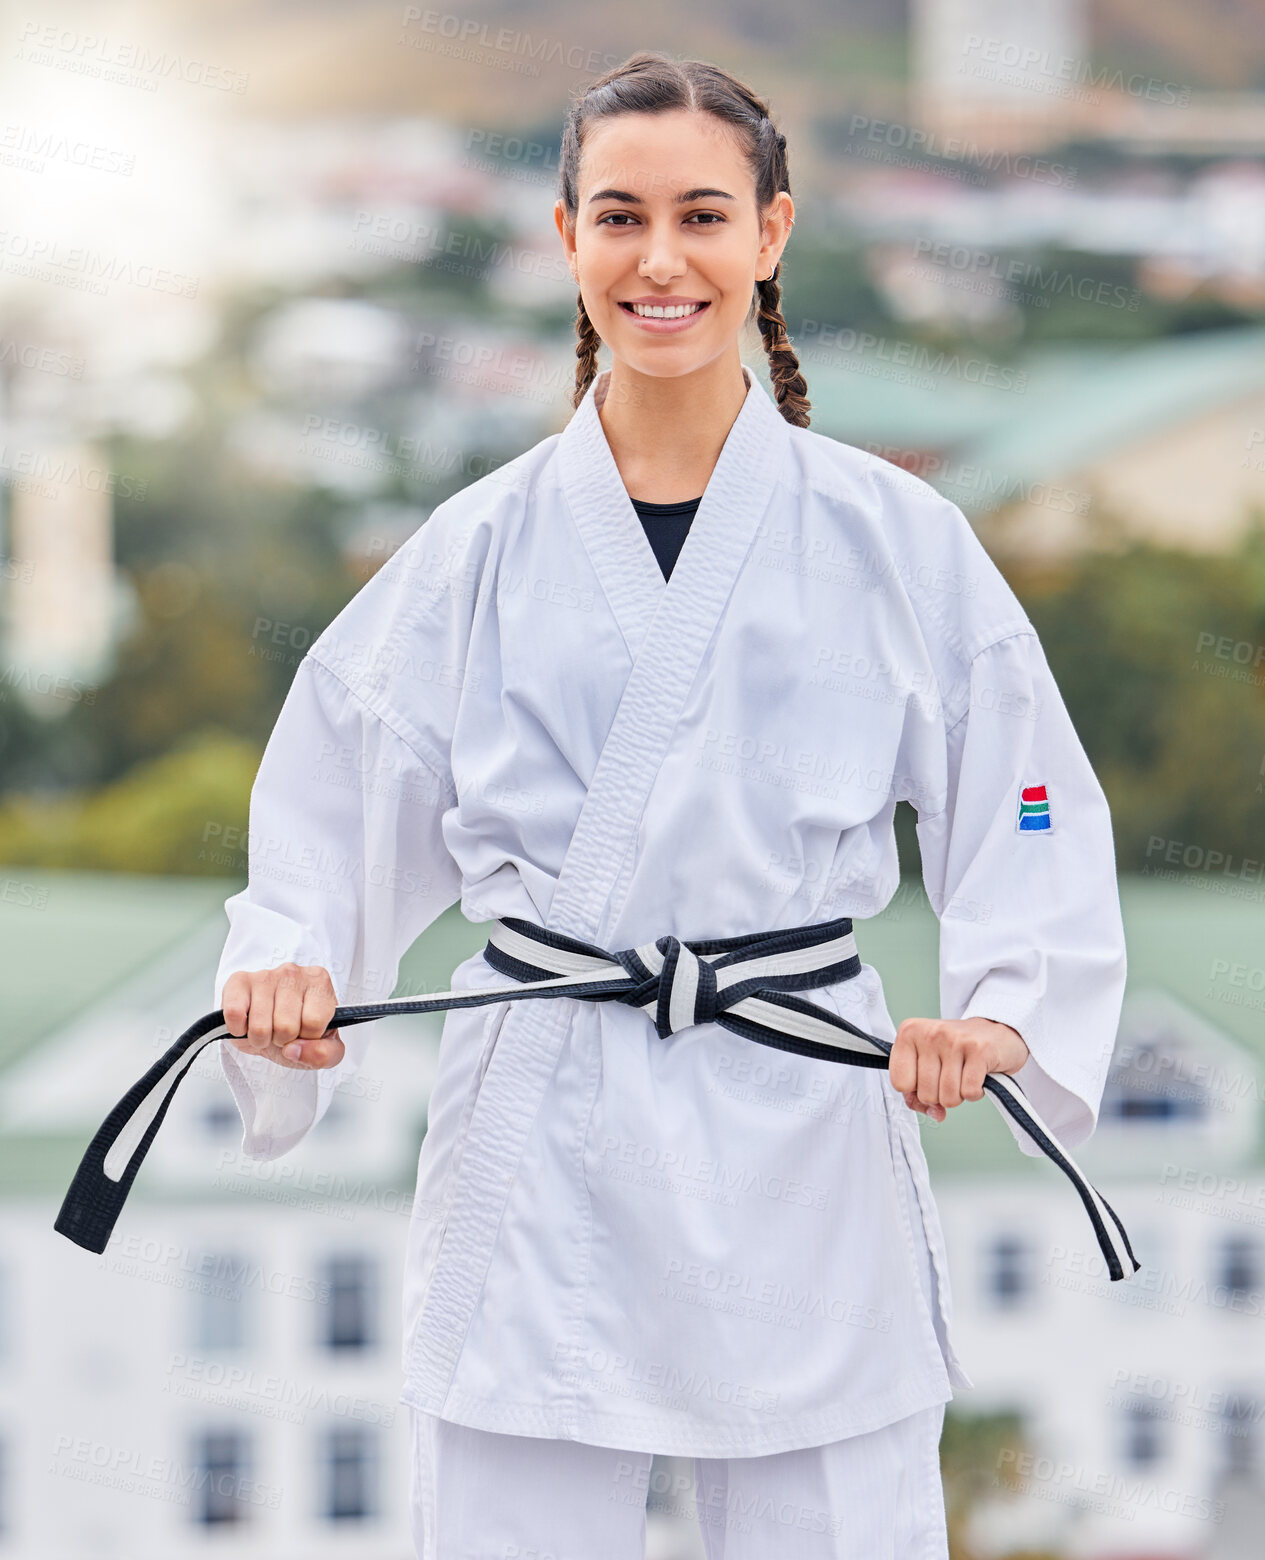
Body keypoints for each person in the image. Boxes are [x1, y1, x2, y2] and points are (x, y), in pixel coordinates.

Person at [215, 50, 1127, 1560]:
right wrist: (295, 960)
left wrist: (1006, 1001)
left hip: (797, 1103)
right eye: (619, 217)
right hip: (543, 1104)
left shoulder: (894, 538)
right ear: (564, 238)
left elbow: (1023, 795)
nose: (659, 260)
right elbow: (331, 794)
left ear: (769, 235)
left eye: (701, 216)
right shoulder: (478, 548)